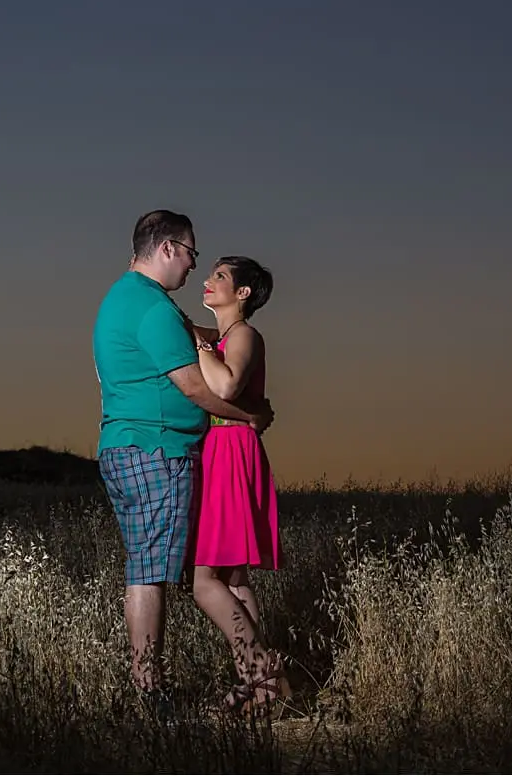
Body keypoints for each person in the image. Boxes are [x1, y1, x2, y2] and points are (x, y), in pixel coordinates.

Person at [92, 210, 274, 701]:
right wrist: (247, 416)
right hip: (157, 450)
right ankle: (155, 692)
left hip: (136, 446)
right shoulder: (151, 307)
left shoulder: (129, 298)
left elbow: (208, 342)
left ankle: (254, 677)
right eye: (192, 253)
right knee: (152, 572)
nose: (194, 266)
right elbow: (194, 386)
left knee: (208, 571)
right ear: (168, 248)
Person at [188, 255, 291, 716]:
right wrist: (199, 338)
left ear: (243, 293)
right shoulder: (224, 336)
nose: (208, 281)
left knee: (203, 581)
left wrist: (199, 348)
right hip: (221, 448)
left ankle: (263, 675)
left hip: (232, 449)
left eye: (220, 276)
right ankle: (259, 688)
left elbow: (226, 387)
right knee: (232, 576)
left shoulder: (245, 335)